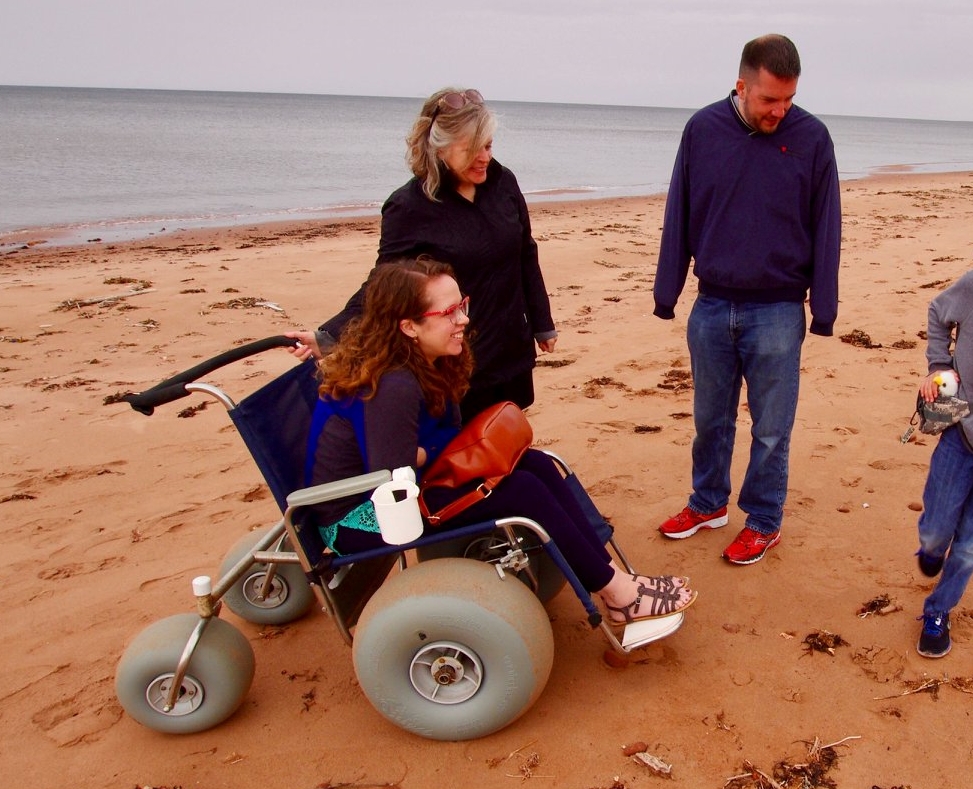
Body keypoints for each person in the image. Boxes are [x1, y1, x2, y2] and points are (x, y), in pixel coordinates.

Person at [305, 256, 696, 625]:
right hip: (362, 517)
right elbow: (393, 472)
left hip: (405, 485)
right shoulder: (394, 383)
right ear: (409, 327)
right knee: (522, 489)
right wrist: (431, 451)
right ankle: (619, 596)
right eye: (448, 313)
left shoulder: (428, 359)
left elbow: (434, 440)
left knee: (537, 464)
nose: (463, 319)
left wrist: (434, 450)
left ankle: (614, 578)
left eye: (462, 306)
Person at [652, 34, 841, 565]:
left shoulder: (812, 138)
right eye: (769, 99)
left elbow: (827, 225)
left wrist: (823, 308)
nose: (780, 111)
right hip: (712, 305)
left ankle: (762, 519)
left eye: (789, 99)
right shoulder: (703, 130)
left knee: (772, 429)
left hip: (778, 309)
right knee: (710, 420)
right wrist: (667, 292)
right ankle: (708, 503)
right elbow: (678, 212)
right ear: (741, 86)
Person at [288, 87, 557, 422]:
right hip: (457, 357)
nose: (484, 158)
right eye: (471, 149)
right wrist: (329, 336)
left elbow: (525, 252)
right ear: (440, 149)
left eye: (488, 146)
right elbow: (384, 286)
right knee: (461, 444)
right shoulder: (409, 207)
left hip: (511, 346)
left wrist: (542, 324)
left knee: (508, 433)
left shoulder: (503, 183)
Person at [912, 271, 973, 658]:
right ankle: (932, 550)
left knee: (968, 549)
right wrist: (939, 365)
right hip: (961, 431)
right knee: (936, 532)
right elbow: (938, 311)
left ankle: (937, 611)